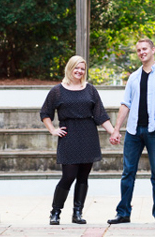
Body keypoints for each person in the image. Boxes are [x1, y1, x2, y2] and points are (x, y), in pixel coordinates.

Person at [108, 38, 155, 225]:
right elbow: (126, 103)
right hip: (133, 131)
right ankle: (123, 212)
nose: (141, 52)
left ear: (153, 50)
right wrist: (116, 129)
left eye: (145, 49)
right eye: (139, 50)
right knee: (127, 173)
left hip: (154, 131)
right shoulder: (133, 77)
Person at [41, 55, 119, 225]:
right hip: (69, 136)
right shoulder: (57, 90)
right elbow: (45, 113)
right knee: (68, 176)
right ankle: (55, 212)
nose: (79, 71)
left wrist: (113, 132)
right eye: (76, 67)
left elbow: (100, 115)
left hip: (88, 135)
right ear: (70, 68)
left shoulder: (90, 89)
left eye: (82, 68)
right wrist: (53, 129)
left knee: (83, 177)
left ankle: (77, 213)